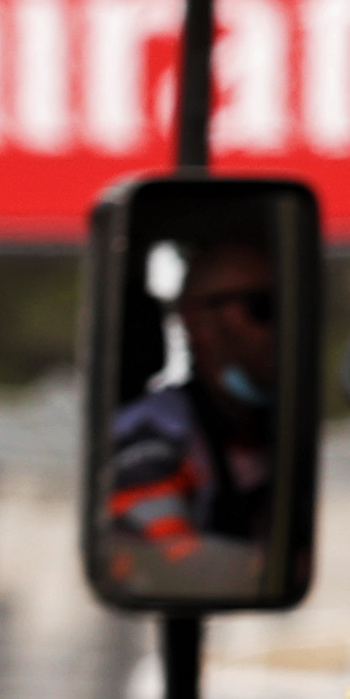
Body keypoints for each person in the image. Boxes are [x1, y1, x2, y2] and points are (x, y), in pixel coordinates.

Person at [100, 231, 282, 581]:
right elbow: (179, 567)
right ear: (199, 323)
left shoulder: (275, 427)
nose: (282, 328)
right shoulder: (147, 436)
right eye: (264, 308)